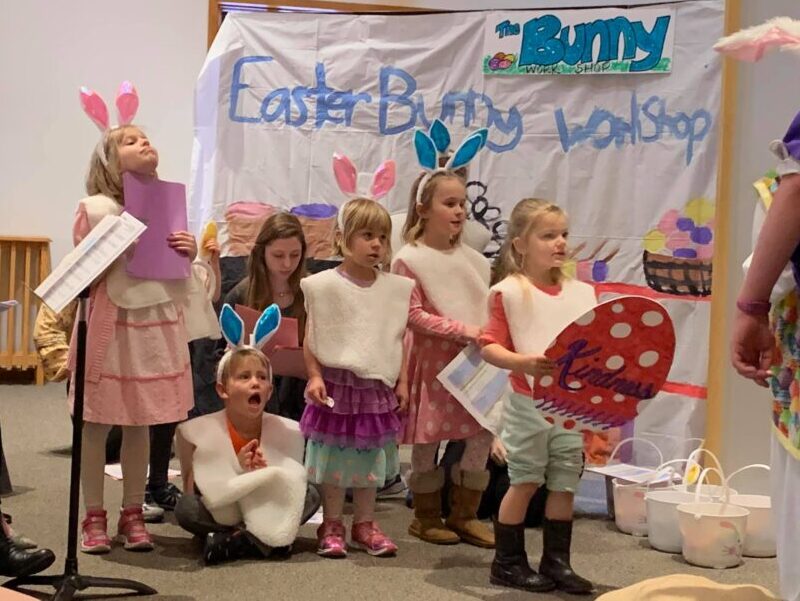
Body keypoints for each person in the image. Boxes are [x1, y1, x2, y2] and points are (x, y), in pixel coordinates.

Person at [72, 83, 218, 553]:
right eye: (130, 141)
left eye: (145, 138)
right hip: (113, 328)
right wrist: (115, 244)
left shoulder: (168, 205)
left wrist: (191, 252)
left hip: (154, 327)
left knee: (141, 423)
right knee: (96, 423)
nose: (144, 143)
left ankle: (132, 512)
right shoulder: (96, 210)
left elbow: (184, 278)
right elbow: (80, 274)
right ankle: (92, 516)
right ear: (109, 163)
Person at [479, 199, 595, 594]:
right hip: (528, 405)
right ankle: (507, 562)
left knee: (564, 481)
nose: (560, 242)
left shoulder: (582, 293)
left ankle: (557, 562)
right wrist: (522, 362)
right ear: (520, 244)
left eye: (563, 234)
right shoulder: (508, 292)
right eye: (548, 235)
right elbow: (488, 346)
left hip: (571, 406)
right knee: (525, 479)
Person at [392, 121, 494, 548]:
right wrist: (463, 330)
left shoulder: (475, 259)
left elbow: (487, 304)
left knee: (480, 435)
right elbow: (412, 315)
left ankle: (465, 514)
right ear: (424, 208)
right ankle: (426, 515)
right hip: (432, 361)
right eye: (449, 203)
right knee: (428, 439)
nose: (458, 212)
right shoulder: (409, 258)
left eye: (462, 205)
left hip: (473, 362)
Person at [299, 196, 412, 558]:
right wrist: (314, 376)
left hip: (375, 388)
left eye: (382, 236)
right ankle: (332, 523)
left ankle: (365, 523)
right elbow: (313, 337)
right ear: (343, 238)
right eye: (366, 235)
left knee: (369, 457)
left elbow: (398, 339)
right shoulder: (324, 286)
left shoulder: (394, 290)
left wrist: (403, 381)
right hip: (337, 385)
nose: (376, 244)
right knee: (334, 456)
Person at [175, 307, 312, 565]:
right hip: (222, 508)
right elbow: (195, 487)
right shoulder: (199, 430)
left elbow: (289, 479)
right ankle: (259, 541)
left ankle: (234, 540)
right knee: (187, 508)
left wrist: (263, 469)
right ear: (222, 389)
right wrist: (236, 468)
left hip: (266, 503)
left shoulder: (287, 430)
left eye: (262, 378)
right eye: (244, 377)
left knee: (310, 494)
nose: (255, 383)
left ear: (270, 391)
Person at [223, 213, 307, 420]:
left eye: (295, 255)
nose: (287, 264)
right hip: (254, 399)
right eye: (278, 256)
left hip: (300, 398)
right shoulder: (242, 294)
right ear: (262, 253)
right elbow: (217, 357)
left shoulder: (310, 291)